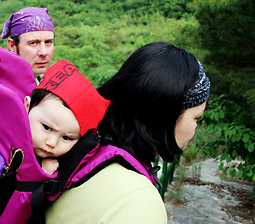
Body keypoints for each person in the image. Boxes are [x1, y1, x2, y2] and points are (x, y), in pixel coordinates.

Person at [45, 42, 211, 223]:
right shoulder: (140, 203)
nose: (195, 127)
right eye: (196, 117)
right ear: (166, 117)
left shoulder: (80, 149)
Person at [24, 59, 110, 175]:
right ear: (27, 106)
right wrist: (40, 174)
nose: (52, 143)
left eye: (67, 138)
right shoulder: (3, 139)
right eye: (47, 128)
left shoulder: (68, 165)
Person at [1, 7, 55, 82]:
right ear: (12, 45)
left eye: (48, 42)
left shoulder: (43, 81)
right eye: (33, 43)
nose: (44, 52)